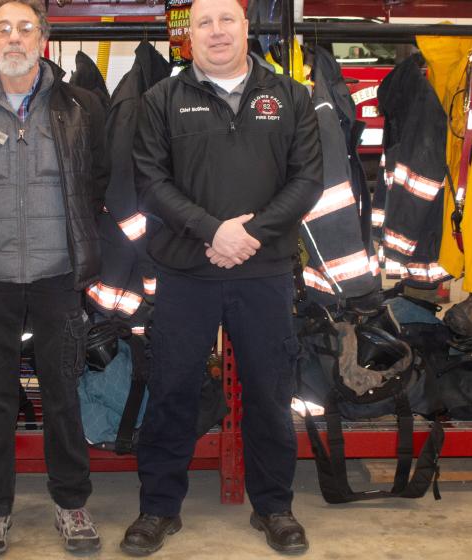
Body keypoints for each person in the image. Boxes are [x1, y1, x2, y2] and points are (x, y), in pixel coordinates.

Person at [121, 0, 324, 555]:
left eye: (226, 20)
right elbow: (150, 183)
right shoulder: (162, 99)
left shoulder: (290, 96)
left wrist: (249, 234)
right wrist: (212, 232)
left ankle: (274, 506)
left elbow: (308, 179)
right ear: (189, 35)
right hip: (185, 272)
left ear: (245, 27)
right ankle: (158, 508)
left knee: (269, 390)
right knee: (172, 390)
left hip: (264, 273)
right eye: (204, 22)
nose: (216, 32)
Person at [0, 0, 109, 556]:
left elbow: (98, 183)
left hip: (59, 276)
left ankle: (71, 503)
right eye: (3, 29)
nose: (15, 39)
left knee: (64, 395)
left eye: (25, 28)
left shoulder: (81, 107)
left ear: (44, 38)